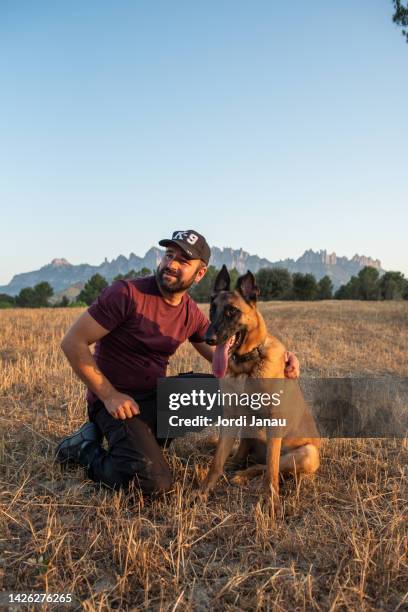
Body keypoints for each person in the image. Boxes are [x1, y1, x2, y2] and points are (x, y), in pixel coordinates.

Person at [55, 230, 300, 494]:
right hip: (118, 404)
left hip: (157, 397)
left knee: (227, 393)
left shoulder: (189, 311)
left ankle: (149, 440)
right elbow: (72, 342)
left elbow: (228, 348)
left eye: (183, 260)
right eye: (170, 255)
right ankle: (84, 448)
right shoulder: (125, 294)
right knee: (152, 483)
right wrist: (109, 395)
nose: (171, 263)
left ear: (200, 273)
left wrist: (281, 356)